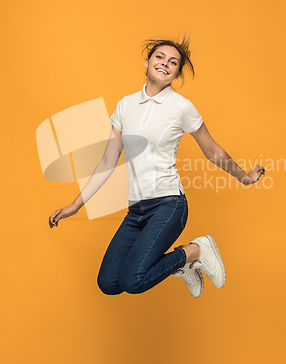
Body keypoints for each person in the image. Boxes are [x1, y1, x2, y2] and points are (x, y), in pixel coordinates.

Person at [49, 36, 265, 298]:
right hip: (136, 210)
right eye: (160, 57)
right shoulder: (125, 105)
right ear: (147, 61)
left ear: (176, 73)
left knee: (134, 279)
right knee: (109, 283)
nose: (165, 64)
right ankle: (185, 262)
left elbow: (211, 150)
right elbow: (108, 161)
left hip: (168, 204)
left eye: (173, 62)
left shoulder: (181, 107)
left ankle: (195, 251)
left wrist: (244, 177)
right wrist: (76, 205)